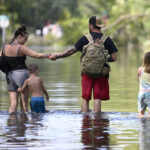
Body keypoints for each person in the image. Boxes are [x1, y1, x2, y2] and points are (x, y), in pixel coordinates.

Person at [49, 16, 118, 113]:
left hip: (87, 72)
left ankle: (85, 121)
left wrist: (57, 56)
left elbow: (71, 51)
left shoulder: (85, 38)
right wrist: (103, 59)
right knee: (97, 98)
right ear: (100, 26)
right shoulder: (107, 40)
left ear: (90, 26)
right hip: (101, 73)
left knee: (86, 98)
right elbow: (114, 58)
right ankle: (97, 121)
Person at [0, 24, 51, 114]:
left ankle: (12, 125)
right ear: (19, 36)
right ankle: (24, 125)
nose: (25, 42)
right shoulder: (21, 47)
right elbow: (37, 55)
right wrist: (49, 55)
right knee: (24, 103)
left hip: (9, 76)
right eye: (25, 39)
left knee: (13, 103)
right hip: (21, 75)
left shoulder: (4, 47)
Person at [137, 52, 150, 118]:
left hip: (141, 93)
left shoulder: (140, 69)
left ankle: (141, 127)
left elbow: (138, 81)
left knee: (141, 114)